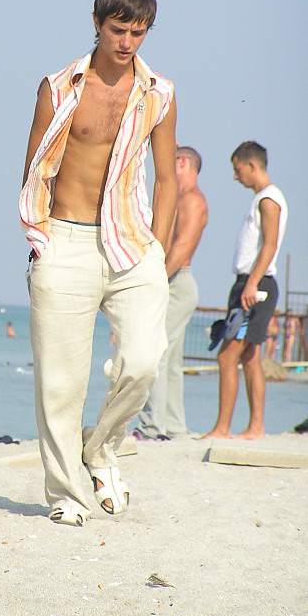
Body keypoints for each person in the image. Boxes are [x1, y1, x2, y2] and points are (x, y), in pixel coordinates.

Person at [20, 0, 177, 527]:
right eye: (118, 30)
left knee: (143, 360)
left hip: (133, 243)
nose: (128, 41)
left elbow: (167, 178)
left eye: (138, 32)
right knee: (60, 384)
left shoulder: (159, 93)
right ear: (97, 23)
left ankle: (102, 448)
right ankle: (66, 494)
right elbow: (35, 168)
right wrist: (39, 240)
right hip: (66, 239)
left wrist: (161, 250)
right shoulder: (58, 87)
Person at [204, 141, 287, 440]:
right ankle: (255, 427)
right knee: (249, 355)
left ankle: (222, 428)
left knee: (227, 357)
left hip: (256, 285)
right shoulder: (262, 199)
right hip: (251, 282)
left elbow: (270, 245)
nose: (235, 176)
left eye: (238, 170)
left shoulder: (268, 199)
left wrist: (251, 283)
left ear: (252, 165)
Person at [135, 146, 208, 440]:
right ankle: (174, 426)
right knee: (172, 361)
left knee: (155, 351)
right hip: (173, 280)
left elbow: (182, 247)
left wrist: (157, 279)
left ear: (183, 162)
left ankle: (151, 426)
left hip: (177, 282)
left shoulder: (193, 200)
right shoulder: (179, 198)